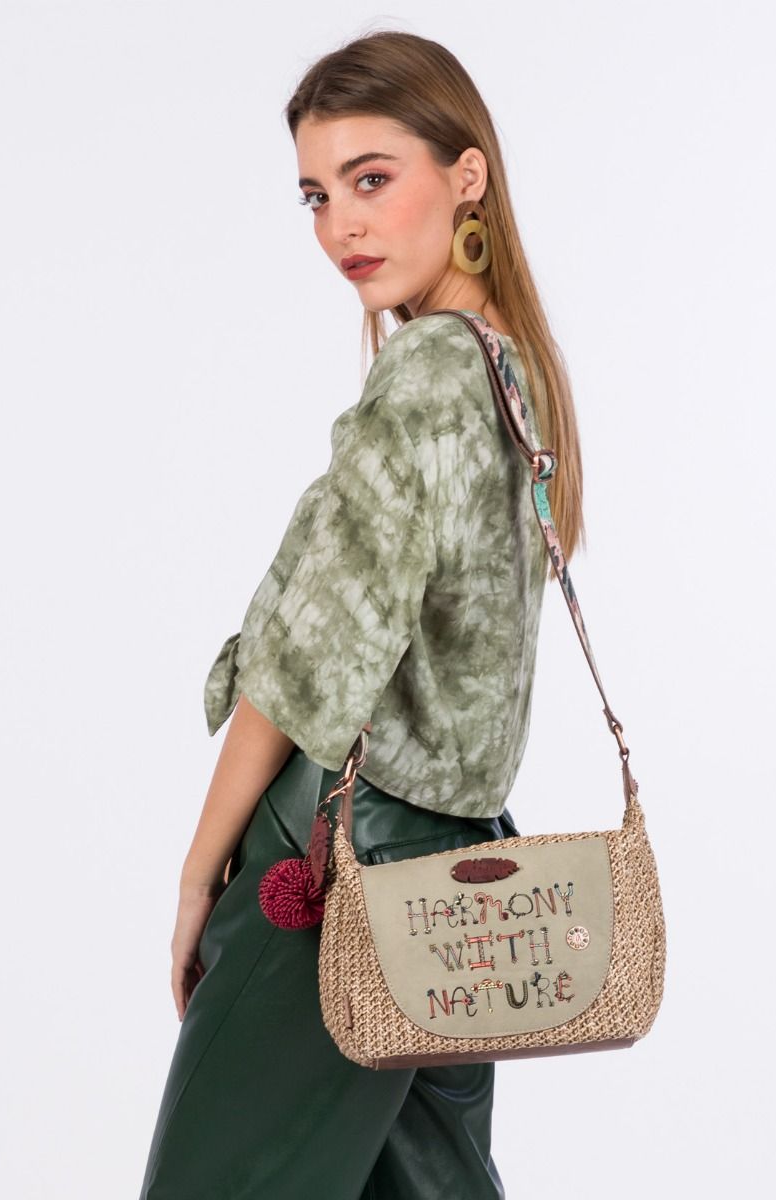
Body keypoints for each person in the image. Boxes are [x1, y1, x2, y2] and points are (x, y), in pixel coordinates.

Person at [137, 28, 586, 1200]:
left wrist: (199, 876)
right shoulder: (512, 368)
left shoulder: (430, 370)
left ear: (467, 175)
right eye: (317, 195)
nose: (342, 225)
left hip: (339, 860)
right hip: (457, 872)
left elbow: (312, 665)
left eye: (372, 178)